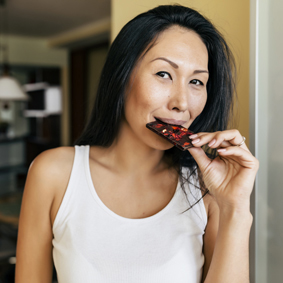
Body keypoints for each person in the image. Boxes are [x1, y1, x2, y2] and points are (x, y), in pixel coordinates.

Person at [15, 5, 259, 283]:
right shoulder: (53, 174)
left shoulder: (207, 190)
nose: (181, 103)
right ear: (122, 76)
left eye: (196, 81)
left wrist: (236, 208)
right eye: (164, 74)